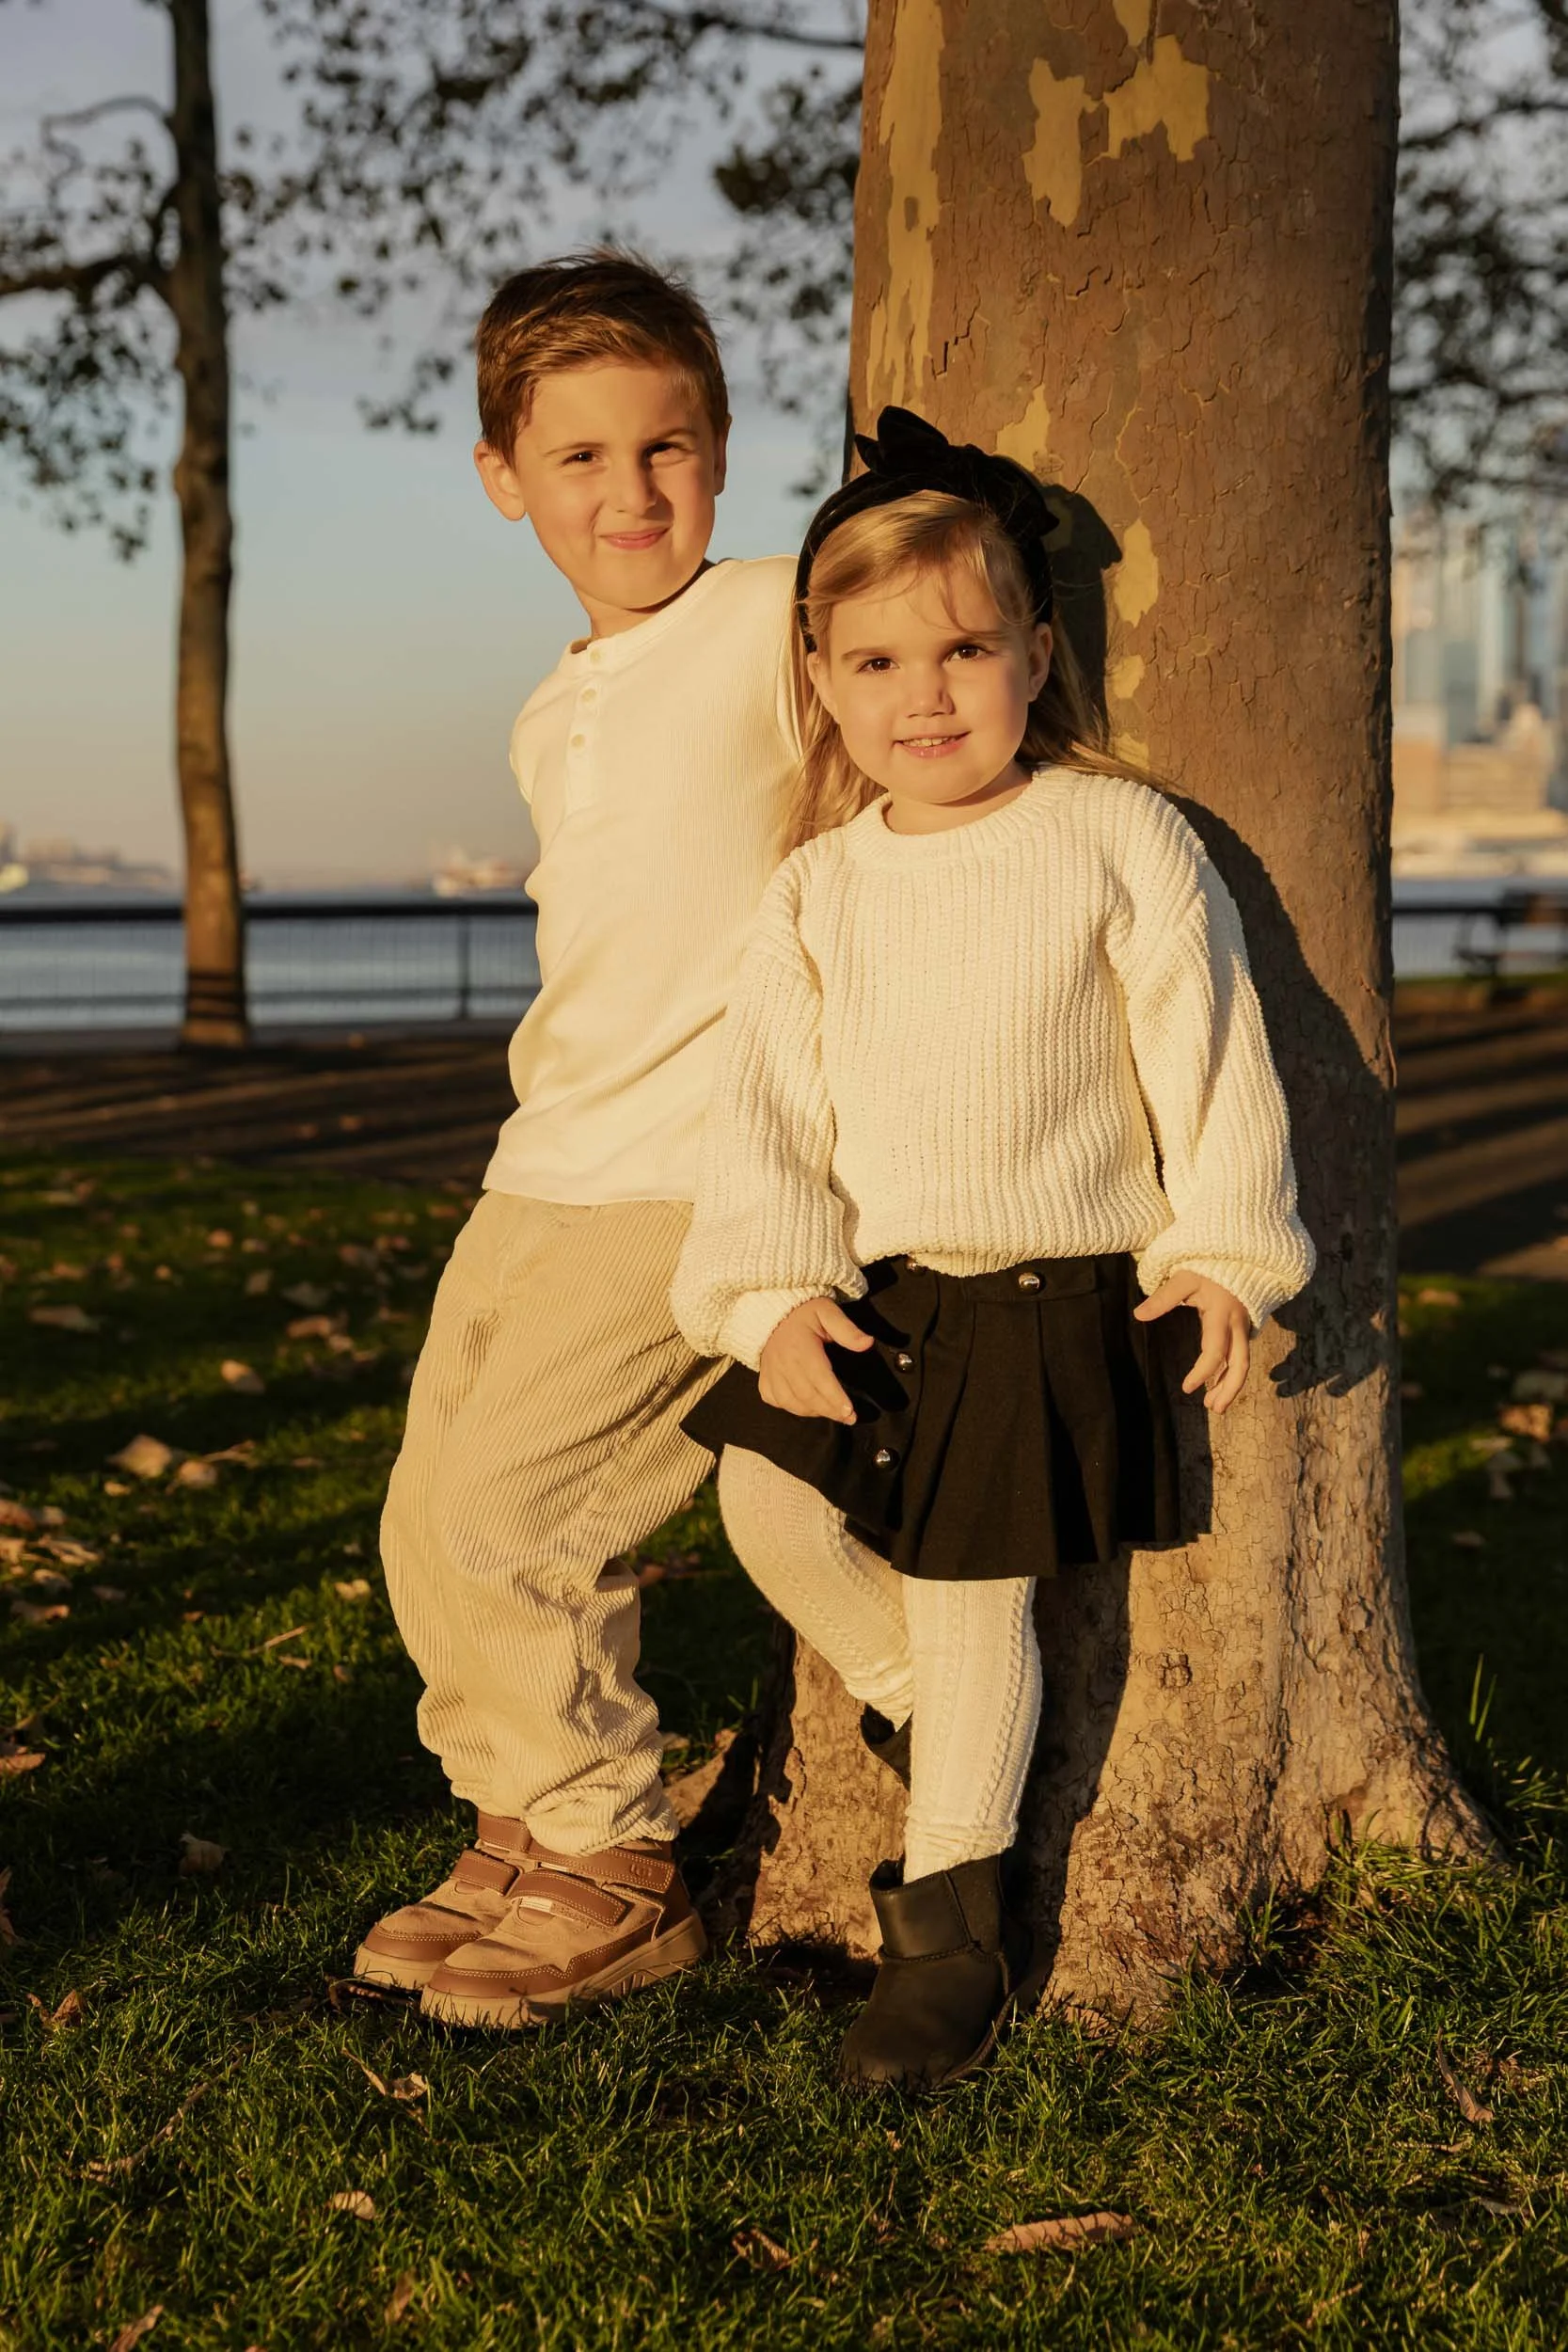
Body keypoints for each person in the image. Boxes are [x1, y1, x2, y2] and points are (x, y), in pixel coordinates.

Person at [672, 408, 1316, 2090]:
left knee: (973, 1605)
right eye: (878, 661)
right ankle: (918, 1703)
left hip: (1046, 1297)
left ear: (1035, 651)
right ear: (821, 681)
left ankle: (952, 1927)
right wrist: (771, 1296)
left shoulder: (1114, 836)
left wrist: (1225, 1253)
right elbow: (769, 1119)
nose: (927, 694)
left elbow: (1207, 1051)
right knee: (762, 1500)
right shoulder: (817, 890)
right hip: (884, 1300)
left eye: (964, 649)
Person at [354, 250, 798, 2029]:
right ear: (504, 479)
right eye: (581, 457)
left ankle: (614, 1859)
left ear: (720, 449)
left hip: (696, 1167)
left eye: (667, 446)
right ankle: (516, 1826)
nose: (632, 492)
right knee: (421, 1522)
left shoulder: (774, 616)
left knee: (514, 1517)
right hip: (544, 1155)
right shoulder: (555, 702)